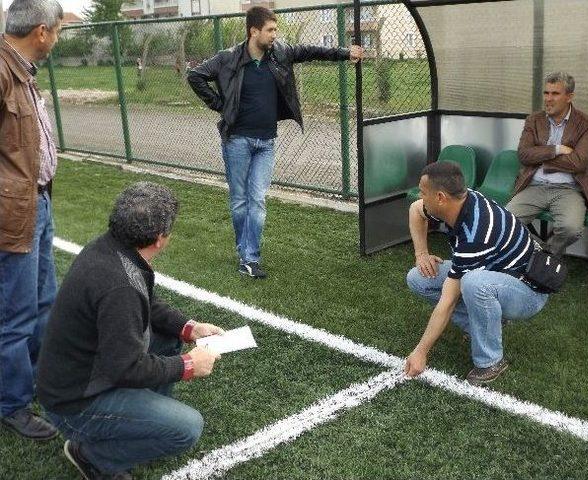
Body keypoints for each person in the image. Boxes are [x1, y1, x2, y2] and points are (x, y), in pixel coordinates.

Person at [36, 182, 223, 479]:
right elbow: (124, 369)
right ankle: (92, 457)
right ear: (161, 238)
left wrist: (190, 328)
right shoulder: (120, 285)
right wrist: (189, 365)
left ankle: (138, 424)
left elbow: (145, 303)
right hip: (74, 403)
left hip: (74, 377)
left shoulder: (110, 248)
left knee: (168, 341)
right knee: (187, 428)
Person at [188, 6, 364, 279]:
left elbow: (311, 51)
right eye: (270, 30)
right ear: (253, 31)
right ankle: (244, 251)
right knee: (239, 202)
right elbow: (195, 76)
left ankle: (249, 258)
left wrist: (344, 53)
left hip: (266, 142)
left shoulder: (280, 53)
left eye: (275, 29)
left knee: (256, 200)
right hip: (237, 140)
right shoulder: (228, 59)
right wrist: (220, 104)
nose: (274, 35)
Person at [403, 162, 549, 385]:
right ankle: (483, 325)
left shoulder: (476, 233)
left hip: (528, 293)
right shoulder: (459, 199)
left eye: (424, 193)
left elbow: (448, 301)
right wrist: (421, 254)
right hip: (494, 274)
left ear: (440, 197)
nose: (421, 197)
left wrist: (421, 351)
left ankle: (490, 361)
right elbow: (415, 209)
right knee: (418, 278)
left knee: (473, 283)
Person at [0, 0, 63, 441]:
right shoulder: (2, 71)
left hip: (36, 204)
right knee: (16, 314)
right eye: (57, 31)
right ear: (41, 31)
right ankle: (13, 403)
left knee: (44, 301)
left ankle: (44, 380)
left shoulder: (19, 69)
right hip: (13, 212)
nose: (57, 39)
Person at [506, 72, 588, 256]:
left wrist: (542, 160)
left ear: (569, 97)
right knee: (505, 222)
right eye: (546, 93)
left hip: (569, 188)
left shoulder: (587, 123)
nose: (548, 99)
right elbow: (524, 155)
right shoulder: (534, 119)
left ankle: (547, 254)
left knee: (571, 229)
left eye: (555, 94)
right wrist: (556, 149)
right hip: (534, 186)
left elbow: (579, 162)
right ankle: (541, 251)